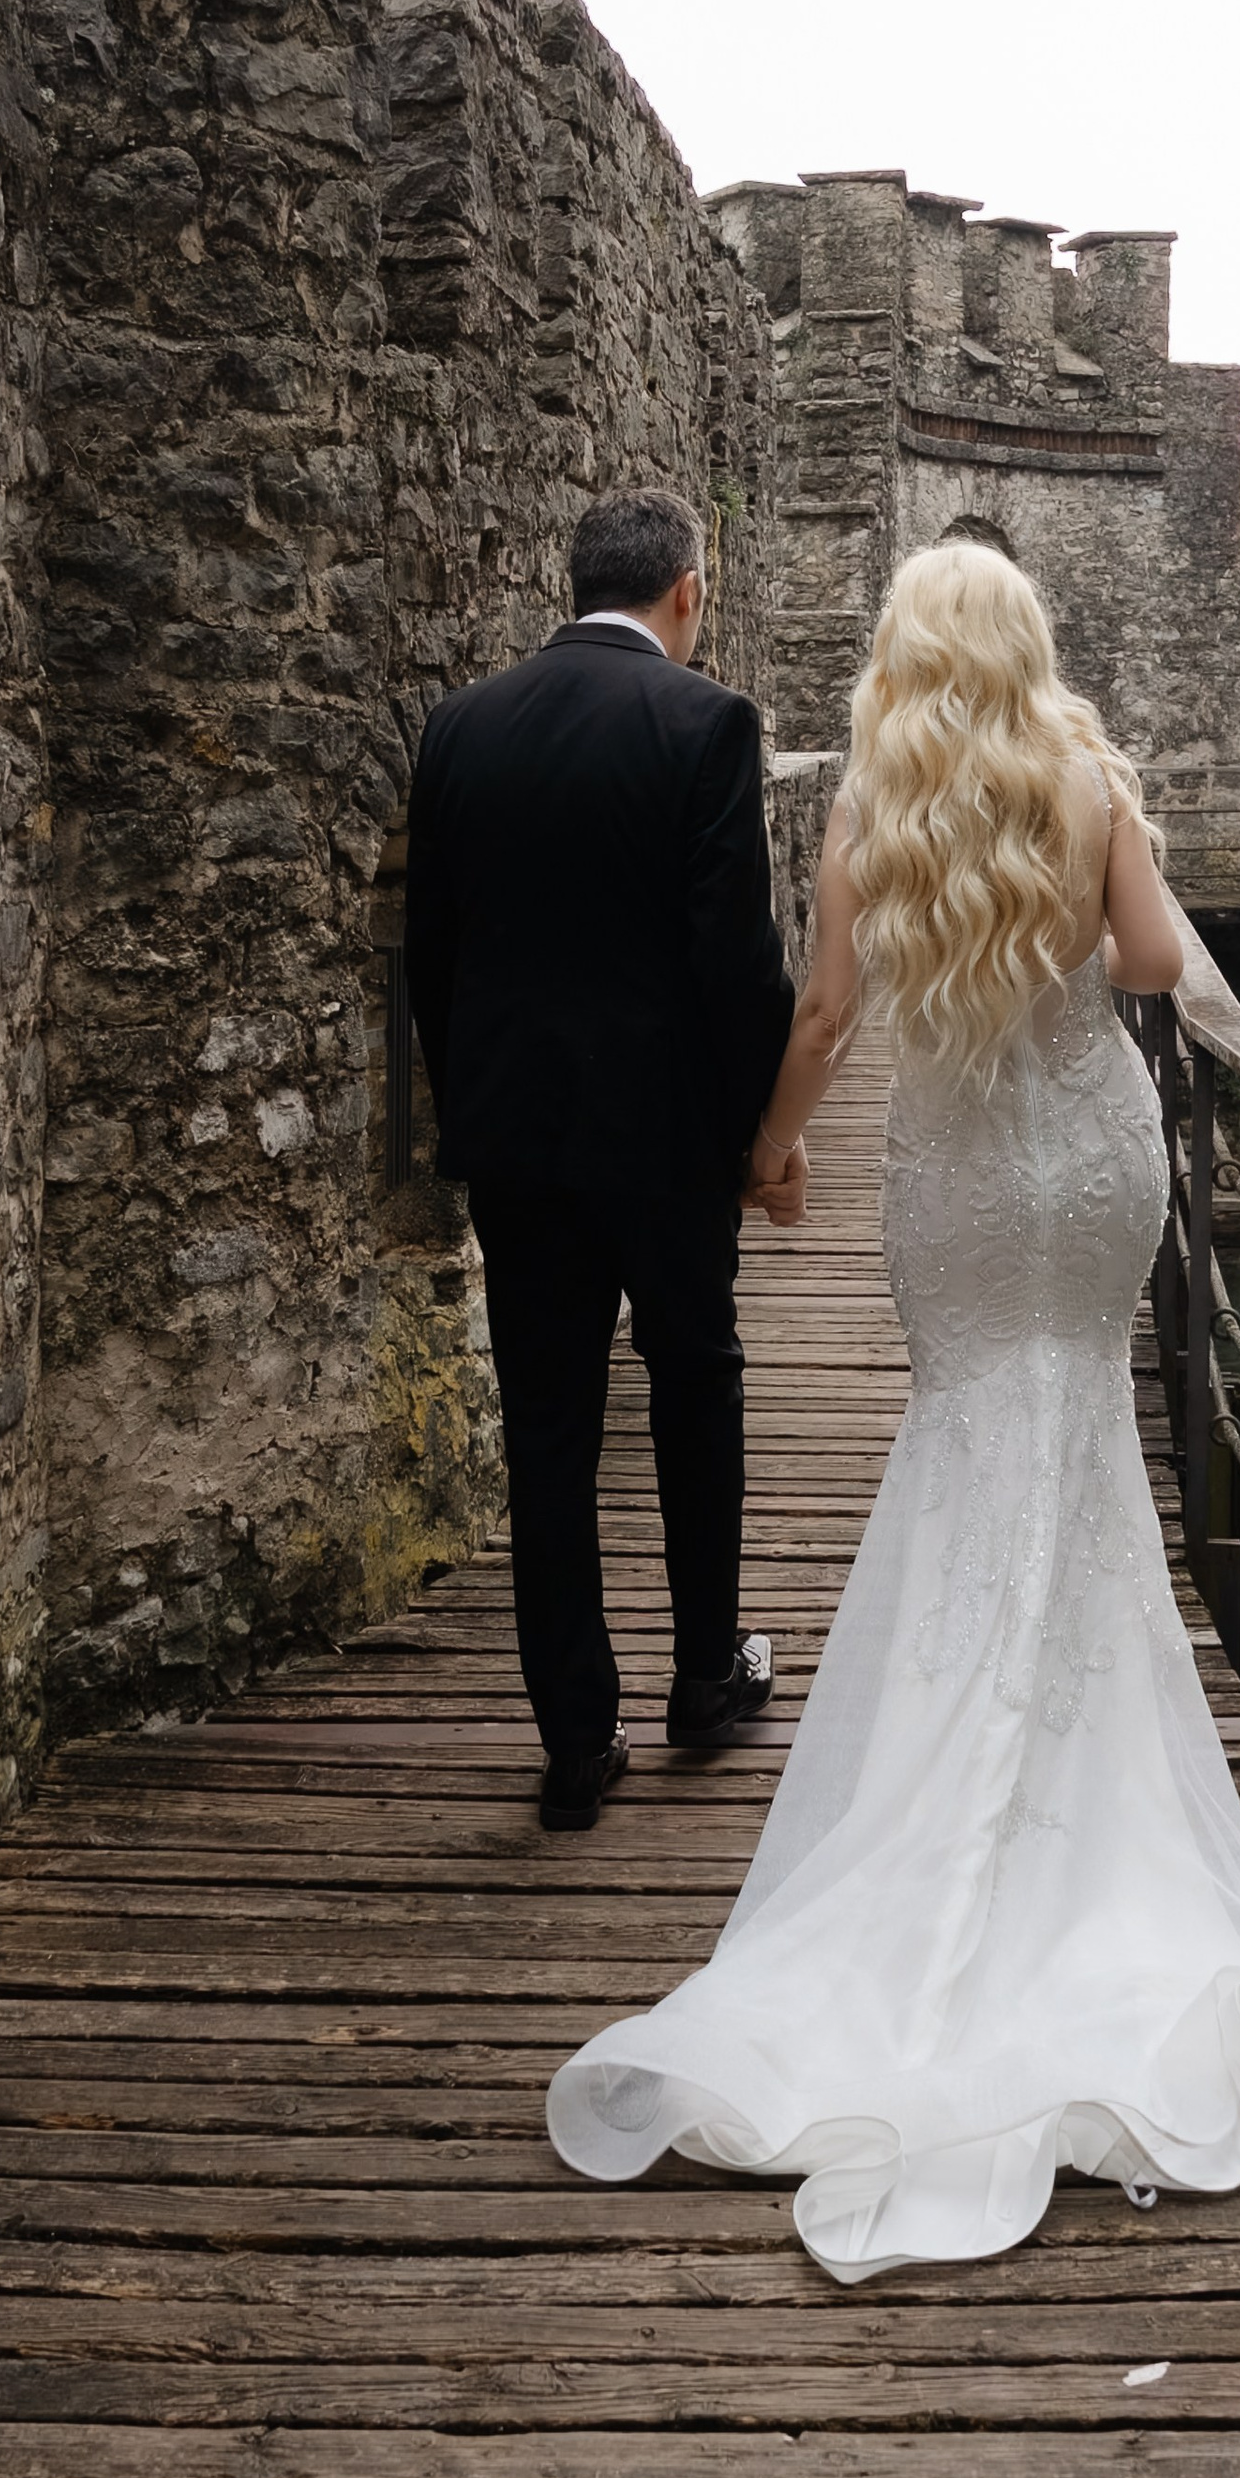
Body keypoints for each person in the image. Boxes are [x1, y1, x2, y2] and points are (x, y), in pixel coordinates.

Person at [548, 538, 1240, 2278]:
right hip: (1091, 1164)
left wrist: (768, 1141)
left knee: (972, 1423)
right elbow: (1149, 972)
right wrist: (1102, 861)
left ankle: (941, 1800)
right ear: (1029, 645)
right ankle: (1090, 1791)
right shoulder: (1084, 778)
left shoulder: (875, 807)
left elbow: (827, 1010)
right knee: (1084, 1437)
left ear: (906, 655)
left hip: (962, 1173)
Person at [404, 491, 796, 1831]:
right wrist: (757, 1133)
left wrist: (475, 1110)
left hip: (519, 1138)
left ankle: (576, 1741)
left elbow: (431, 957)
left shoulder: (459, 727)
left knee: (551, 1434)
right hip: (671, 1141)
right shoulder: (706, 723)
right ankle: (703, 1677)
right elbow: (736, 961)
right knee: (697, 1386)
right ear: (686, 593)